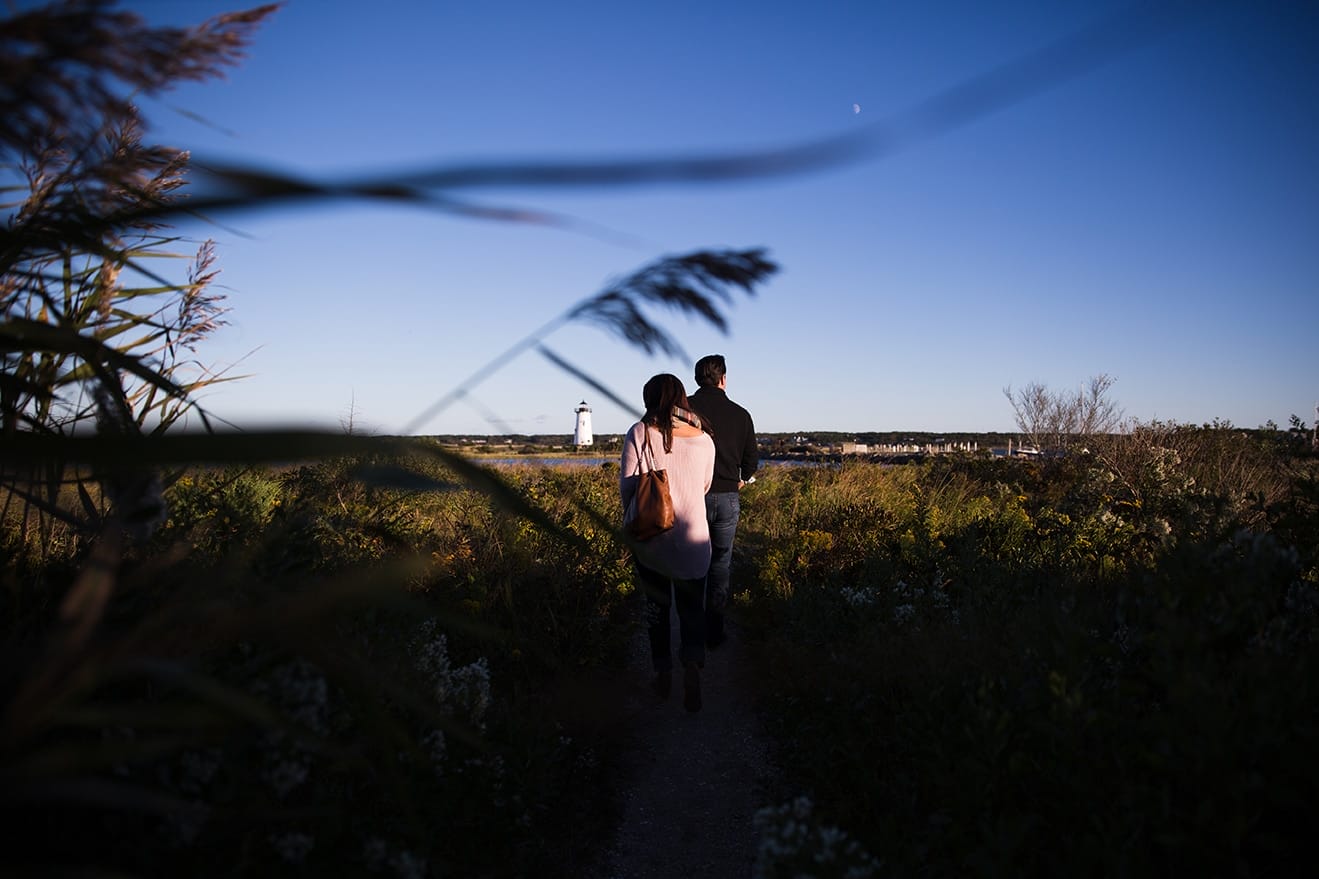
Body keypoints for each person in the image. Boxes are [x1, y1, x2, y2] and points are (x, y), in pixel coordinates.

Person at [620, 373, 716, 712]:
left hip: (652, 541)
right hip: (694, 540)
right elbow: (704, 486)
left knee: (656, 610)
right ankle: (692, 664)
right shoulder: (705, 439)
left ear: (649, 399)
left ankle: (662, 672)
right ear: (682, 399)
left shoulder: (639, 432)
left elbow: (628, 489)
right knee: (692, 610)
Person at [686, 354, 758, 648]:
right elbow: (750, 460)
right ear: (723, 379)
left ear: (696, 379)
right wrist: (740, 480)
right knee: (720, 564)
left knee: (692, 563)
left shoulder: (683, 409)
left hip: (692, 497)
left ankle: (691, 630)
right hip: (728, 496)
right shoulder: (741, 414)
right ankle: (714, 631)